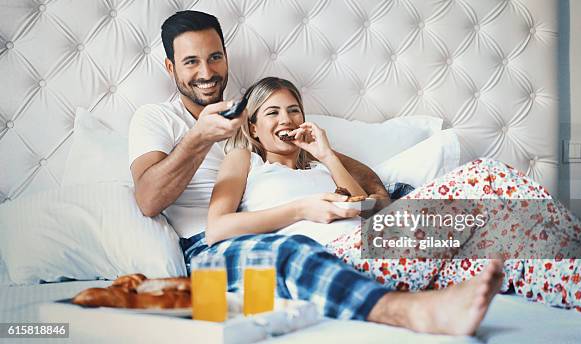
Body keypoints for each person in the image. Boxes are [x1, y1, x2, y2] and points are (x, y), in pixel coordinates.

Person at [129, 10, 504, 335]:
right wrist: (199, 137)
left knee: (479, 184)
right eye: (191, 61)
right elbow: (149, 200)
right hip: (216, 247)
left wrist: (332, 160)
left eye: (214, 57)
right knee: (290, 250)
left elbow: (362, 191)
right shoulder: (160, 120)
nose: (206, 72)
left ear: (226, 57)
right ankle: (411, 312)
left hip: (326, 234)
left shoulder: (254, 117)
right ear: (171, 67)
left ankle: (552, 275)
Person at [210, 77, 581, 320]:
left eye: (294, 111)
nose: (286, 121)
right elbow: (217, 229)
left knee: (519, 250)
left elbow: (368, 205)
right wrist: (301, 208)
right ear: (253, 126)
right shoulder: (244, 159)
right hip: (335, 260)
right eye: (273, 113)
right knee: (484, 175)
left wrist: (328, 156)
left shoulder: (320, 164)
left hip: (388, 246)